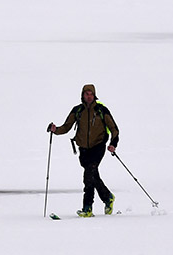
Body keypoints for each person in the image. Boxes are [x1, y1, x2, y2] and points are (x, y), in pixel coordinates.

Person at [47, 83, 119, 217]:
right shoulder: (78, 110)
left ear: (94, 95)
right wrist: (55, 130)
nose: (89, 96)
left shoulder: (102, 110)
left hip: (98, 147)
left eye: (91, 94)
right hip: (83, 150)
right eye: (86, 94)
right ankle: (107, 197)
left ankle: (87, 208)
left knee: (88, 175)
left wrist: (113, 143)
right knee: (92, 175)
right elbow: (66, 127)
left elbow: (114, 129)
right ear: (82, 95)